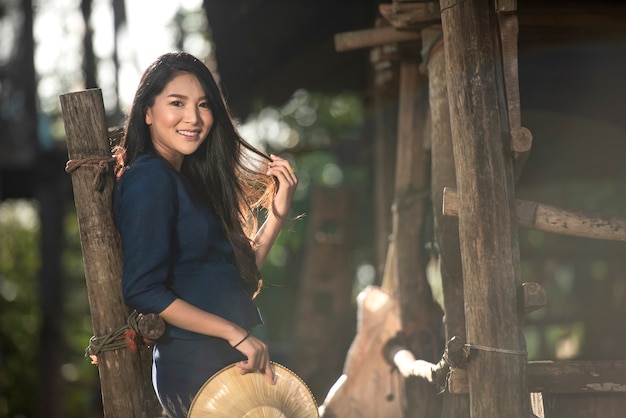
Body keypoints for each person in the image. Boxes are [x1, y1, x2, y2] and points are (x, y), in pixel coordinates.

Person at [112, 51, 297, 418]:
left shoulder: (189, 183)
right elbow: (142, 289)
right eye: (176, 103)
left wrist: (278, 213)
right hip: (195, 361)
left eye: (203, 105)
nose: (193, 118)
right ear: (147, 112)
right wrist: (234, 332)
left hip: (230, 355)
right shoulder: (149, 178)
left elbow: (234, 278)